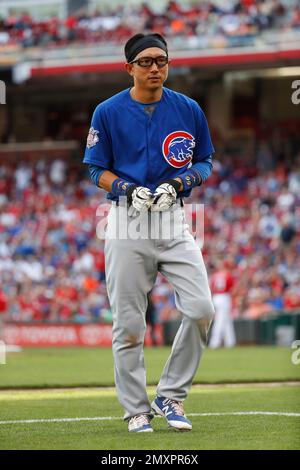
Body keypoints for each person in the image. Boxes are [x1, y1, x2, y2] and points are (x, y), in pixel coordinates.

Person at [83, 32, 215, 433]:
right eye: (145, 61)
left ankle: (170, 395)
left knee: (201, 309)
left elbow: (205, 160)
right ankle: (136, 409)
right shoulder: (106, 111)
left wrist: (178, 184)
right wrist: (124, 187)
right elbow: (94, 167)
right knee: (128, 323)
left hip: (174, 215)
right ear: (129, 68)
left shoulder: (188, 108)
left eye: (161, 60)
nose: (155, 67)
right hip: (125, 219)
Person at [209, 259, 236, 349]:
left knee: (227, 320)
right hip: (224, 297)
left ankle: (230, 342)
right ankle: (214, 343)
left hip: (216, 297)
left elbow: (211, 288)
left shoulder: (215, 275)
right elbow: (232, 289)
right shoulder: (228, 275)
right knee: (220, 320)